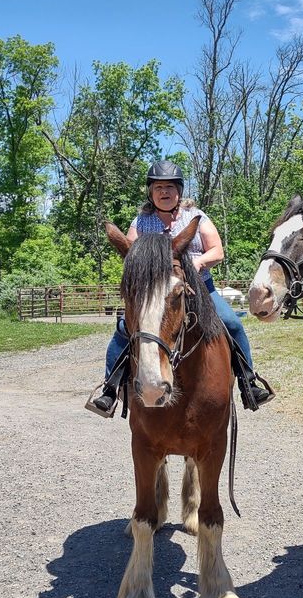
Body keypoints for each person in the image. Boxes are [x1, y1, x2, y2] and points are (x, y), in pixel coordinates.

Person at [93, 159, 273, 415]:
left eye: (169, 187)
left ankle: (248, 382)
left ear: (179, 191)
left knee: (231, 323)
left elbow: (217, 250)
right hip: (156, 294)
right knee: (124, 329)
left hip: (200, 289)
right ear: (150, 192)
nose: (164, 192)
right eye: (158, 187)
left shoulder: (196, 217)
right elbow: (131, 255)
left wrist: (199, 261)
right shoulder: (141, 222)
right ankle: (110, 389)